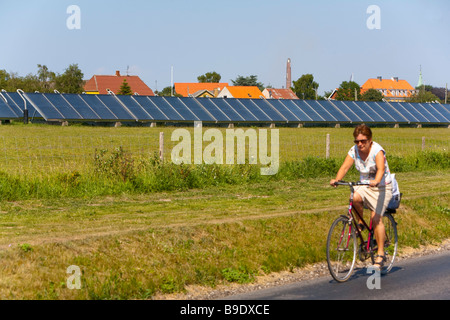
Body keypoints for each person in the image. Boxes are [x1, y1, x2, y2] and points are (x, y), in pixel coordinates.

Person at [330, 125, 392, 270]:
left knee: (376, 219)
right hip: (364, 185)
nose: (360, 144)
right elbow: (345, 167)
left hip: (381, 186)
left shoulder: (377, 151)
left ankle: (381, 254)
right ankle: (360, 223)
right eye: (357, 141)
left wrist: (376, 181)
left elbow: (381, 169)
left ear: (370, 140)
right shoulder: (354, 151)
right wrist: (337, 179)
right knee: (355, 197)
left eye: (363, 141)